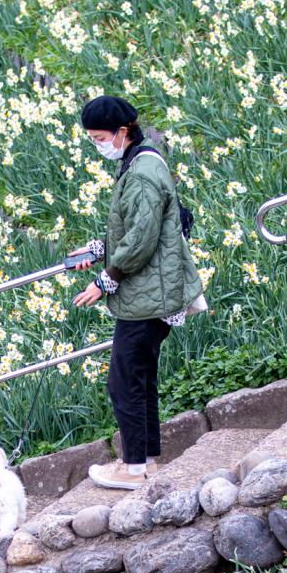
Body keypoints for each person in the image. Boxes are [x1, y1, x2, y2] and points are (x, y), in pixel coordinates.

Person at [72, 95, 206, 490]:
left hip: (149, 295)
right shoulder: (142, 159)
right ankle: (145, 463)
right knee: (139, 378)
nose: (98, 145)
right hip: (153, 291)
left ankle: (133, 469)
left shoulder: (143, 173)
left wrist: (105, 280)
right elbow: (138, 228)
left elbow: (142, 240)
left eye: (100, 137)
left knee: (125, 381)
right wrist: (98, 250)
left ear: (123, 131)